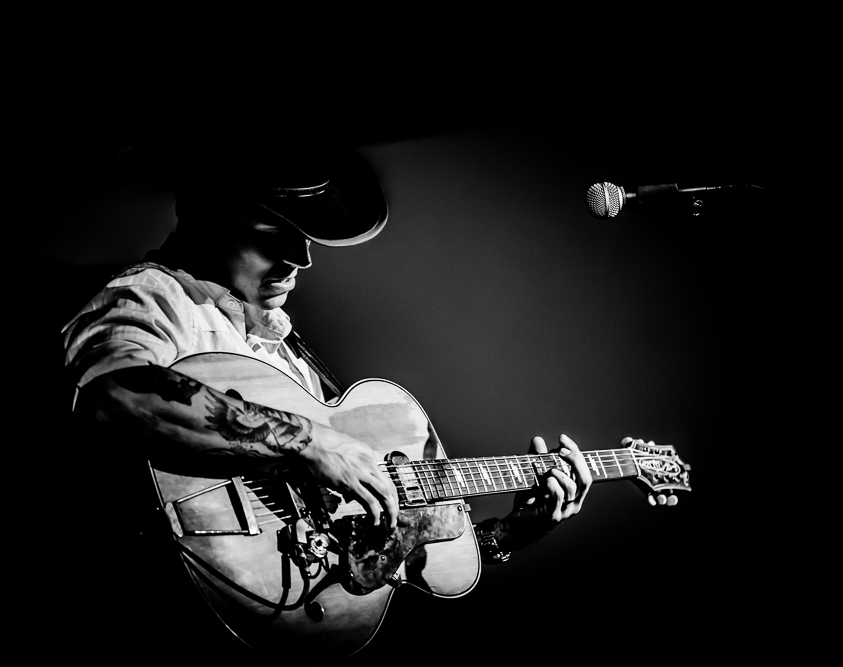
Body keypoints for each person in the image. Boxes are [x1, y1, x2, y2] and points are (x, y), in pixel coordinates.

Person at [60, 140, 593, 656]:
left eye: (306, 237)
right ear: (204, 212)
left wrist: (508, 535)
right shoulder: (155, 297)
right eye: (274, 232)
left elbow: (365, 551)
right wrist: (310, 443)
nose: (301, 259)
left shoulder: (285, 354)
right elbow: (116, 393)